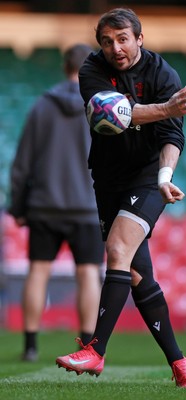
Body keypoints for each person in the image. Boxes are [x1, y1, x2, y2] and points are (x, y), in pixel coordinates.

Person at [56, 8, 186, 388]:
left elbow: (172, 135)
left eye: (122, 39)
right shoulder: (91, 70)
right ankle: (180, 362)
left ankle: (95, 350)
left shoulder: (163, 75)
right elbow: (115, 114)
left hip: (148, 179)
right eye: (107, 41)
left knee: (118, 249)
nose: (115, 47)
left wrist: (165, 177)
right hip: (106, 180)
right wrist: (164, 109)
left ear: (139, 38)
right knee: (137, 275)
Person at [9, 44, 105, 362]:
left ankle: (31, 345)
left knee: (38, 271)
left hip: (44, 205)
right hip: (88, 206)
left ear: (64, 67)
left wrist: (19, 208)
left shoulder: (41, 106)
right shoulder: (101, 107)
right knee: (89, 273)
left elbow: (22, 163)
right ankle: (88, 346)